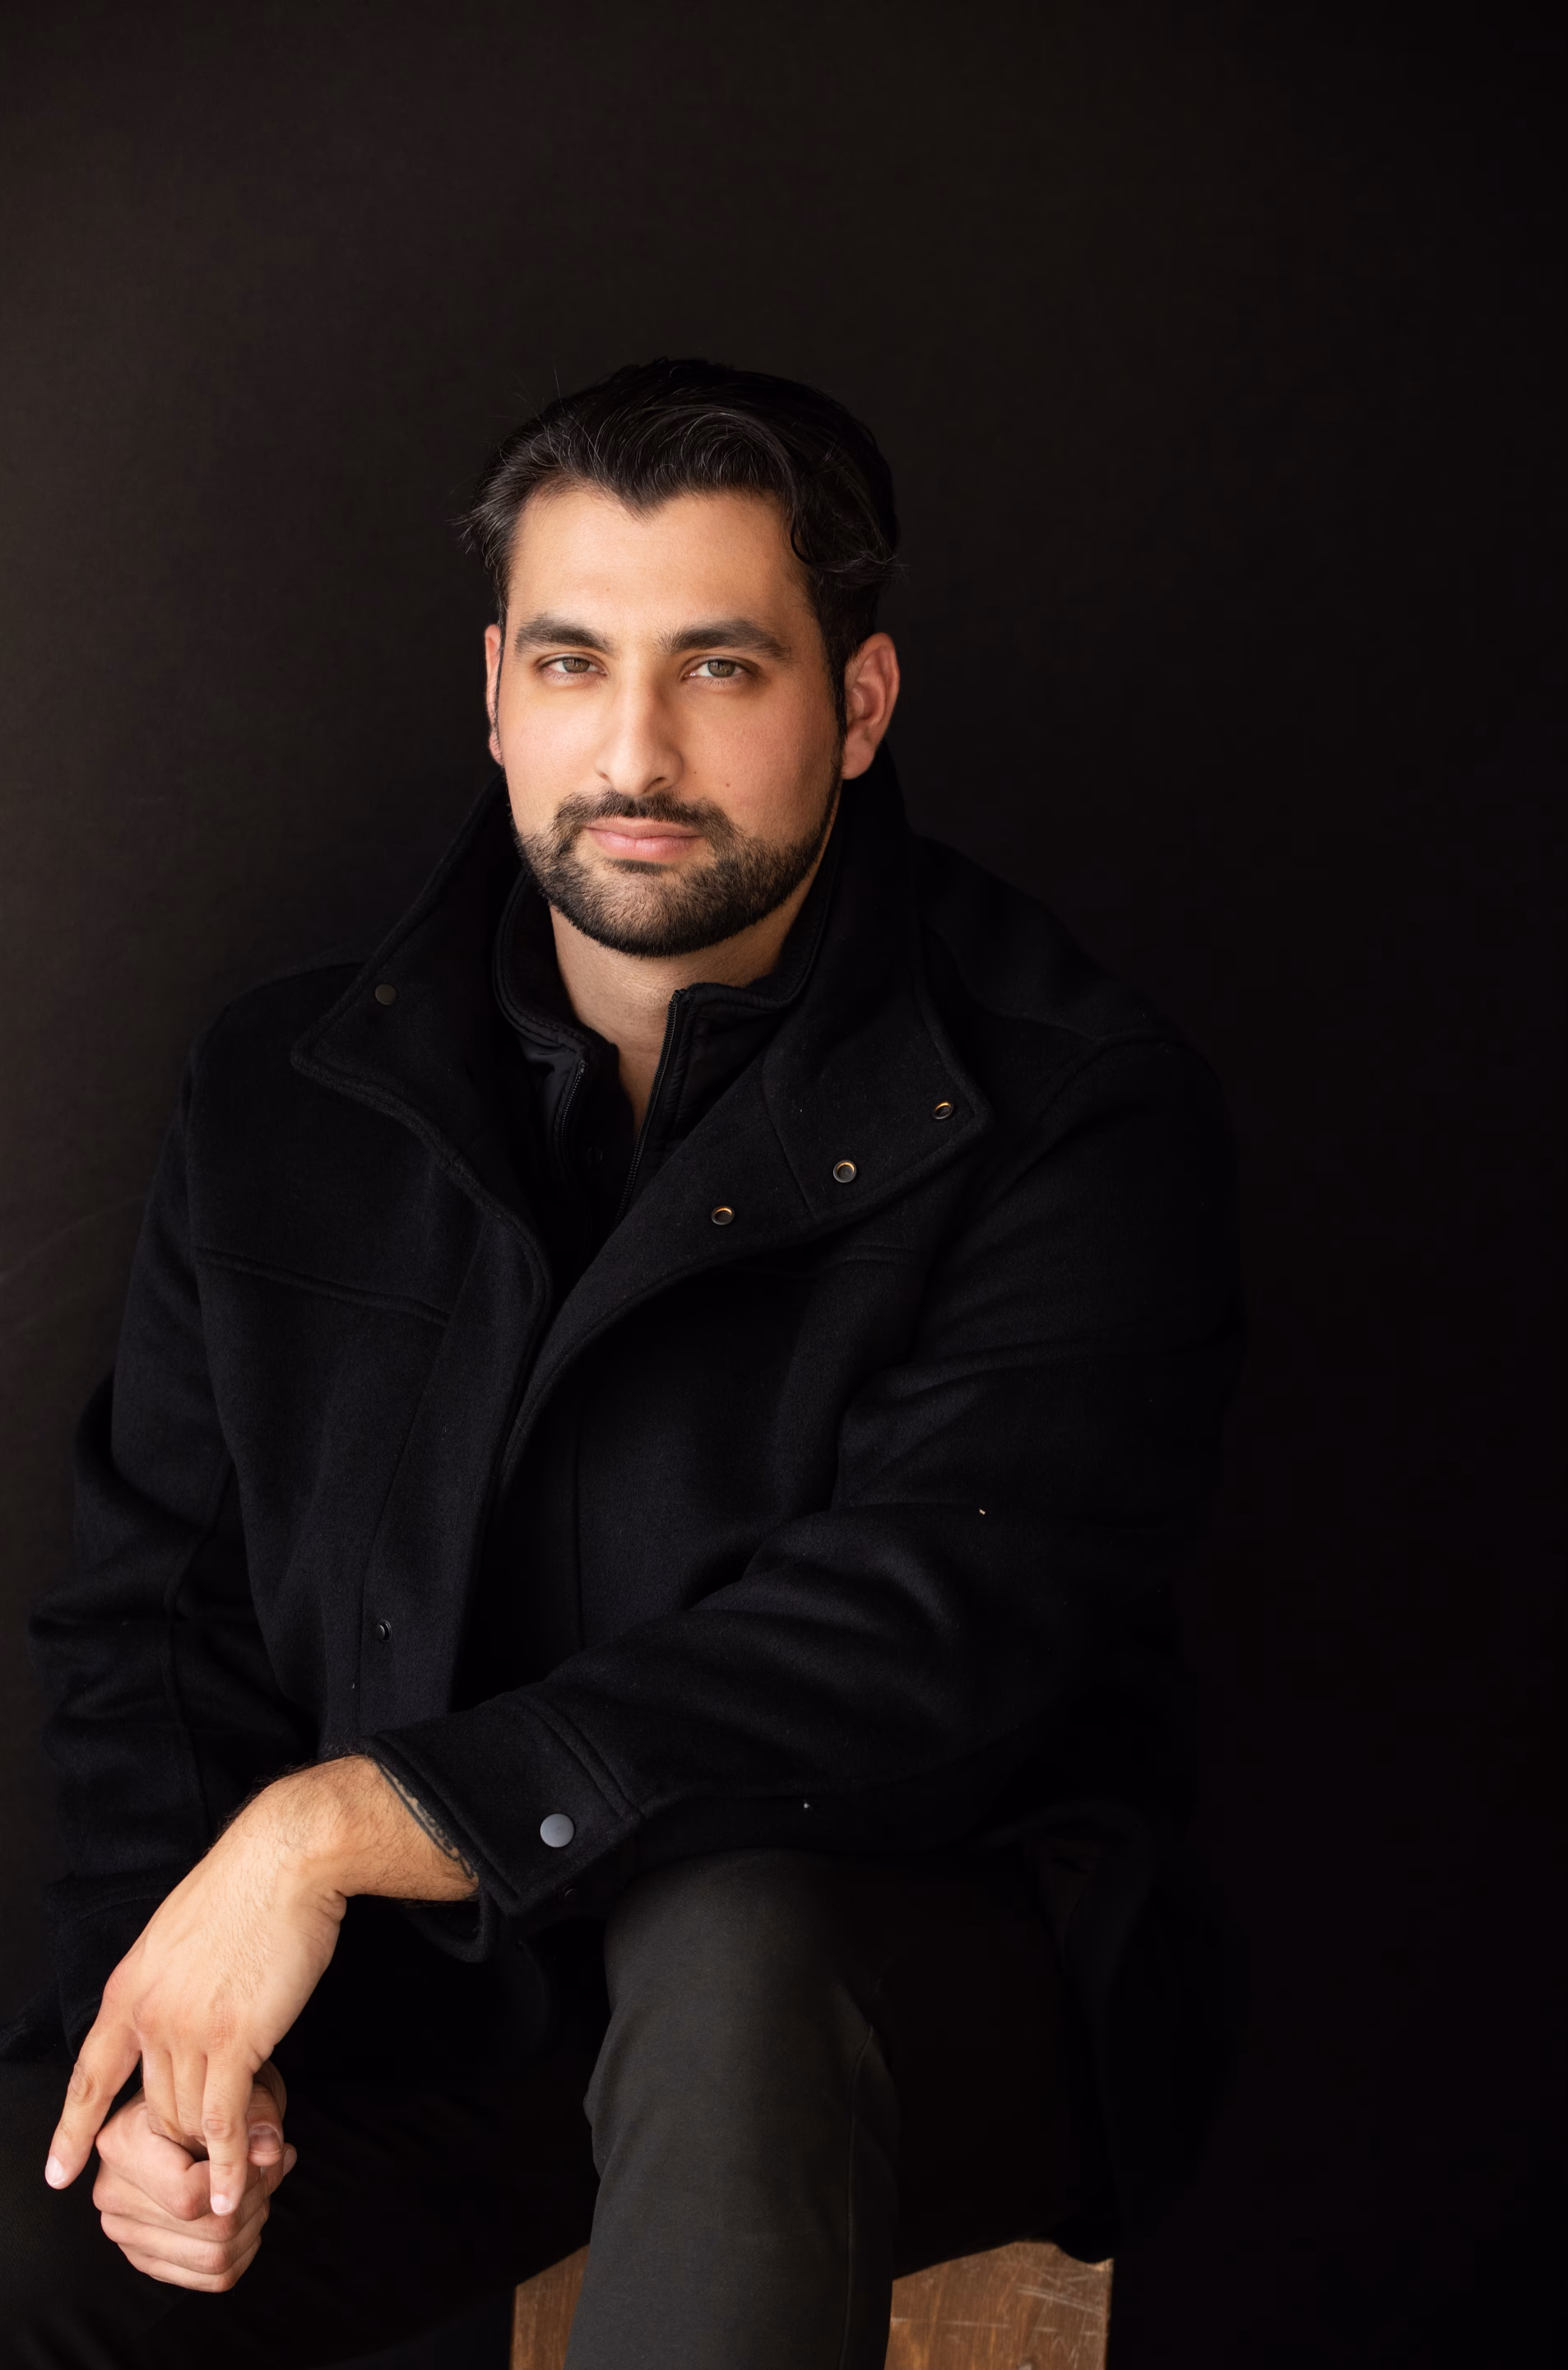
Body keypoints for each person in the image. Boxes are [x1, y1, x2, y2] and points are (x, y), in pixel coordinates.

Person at [0, 359, 1241, 2369]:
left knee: (737, 1942)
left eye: (722, 668)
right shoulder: (282, 1091)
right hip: (445, 2025)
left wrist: (344, 1822)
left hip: (896, 2011)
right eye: (575, 664)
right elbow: (157, 1618)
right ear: (498, 693)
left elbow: (918, 1633)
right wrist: (166, 2042)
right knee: (39, 2244)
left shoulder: (1069, 1105)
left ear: (859, 705)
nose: (635, 751)